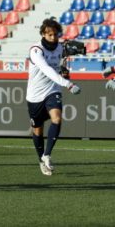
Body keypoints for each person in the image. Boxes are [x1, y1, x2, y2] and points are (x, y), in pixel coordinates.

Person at [26, 17, 81, 176]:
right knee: (37, 130)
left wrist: (64, 70)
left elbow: (59, 64)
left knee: (57, 118)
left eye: (55, 34)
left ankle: (47, 155)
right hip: (35, 95)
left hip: (52, 89)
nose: (53, 37)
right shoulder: (36, 50)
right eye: (49, 34)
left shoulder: (60, 47)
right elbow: (47, 70)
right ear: (43, 34)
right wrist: (68, 84)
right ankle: (41, 160)